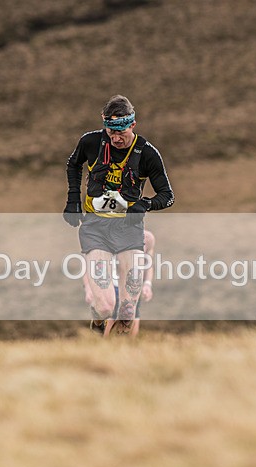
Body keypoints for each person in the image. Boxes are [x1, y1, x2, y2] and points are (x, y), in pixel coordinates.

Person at [64, 95, 174, 335]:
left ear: (132, 125)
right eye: (110, 131)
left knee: (126, 314)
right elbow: (73, 164)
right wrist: (73, 199)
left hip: (129, 230)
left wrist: (145, 204)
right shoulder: (91, 142)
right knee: (105, 307)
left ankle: (121, 366)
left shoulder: (147, 154)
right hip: (96, 228)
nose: (115, 138)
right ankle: (97, 321)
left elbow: (167, 195)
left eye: (121, 132)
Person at [83, 229, 156, 337]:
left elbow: (148, 264)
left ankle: (127, 350)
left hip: (132, 286)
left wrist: (147, 284)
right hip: (110, 286)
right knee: (108, 323)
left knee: (130, 326)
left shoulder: (147, 238)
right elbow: (88, 265)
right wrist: (88, 288)